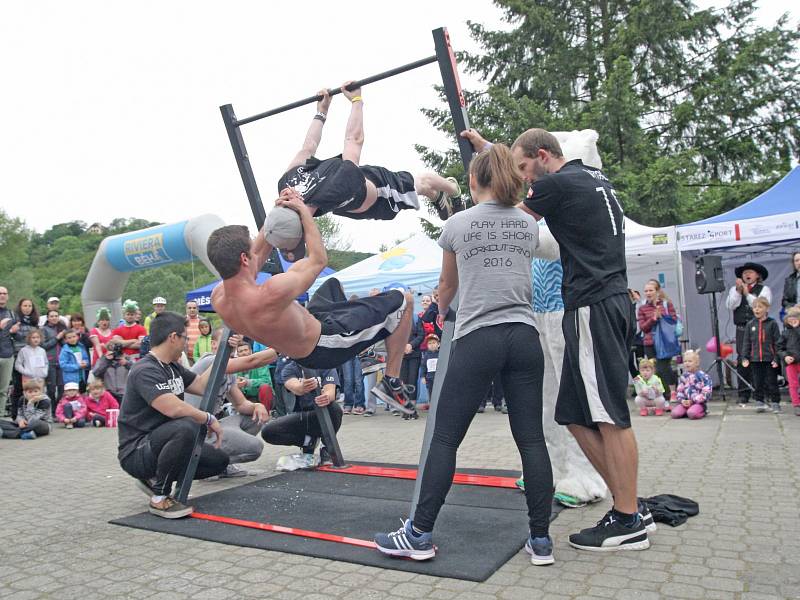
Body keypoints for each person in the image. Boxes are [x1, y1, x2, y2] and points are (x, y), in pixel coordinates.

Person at [461, 126, 652, 551]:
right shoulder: (590, 179)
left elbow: (506, 218)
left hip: (592, 305)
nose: (526, 178)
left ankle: (627, 519)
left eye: (527, 168)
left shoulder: (556, 184)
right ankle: (630, 504)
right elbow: (522, 173)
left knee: (608, 414)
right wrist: (487, 149)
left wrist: (466, 197)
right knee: (573, 413)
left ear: (544, 156)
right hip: (607, 301)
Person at [374, 144, 554, 565]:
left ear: (473, 182)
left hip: (478, 336)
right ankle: (541, 540)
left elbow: (447, 284)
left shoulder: (456, 225)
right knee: (530, 438)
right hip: (524, 336)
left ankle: (418, 534)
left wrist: (439, 310)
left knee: (445, 437)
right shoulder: (528, 226)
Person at [206, 188, 418, 415]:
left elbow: (257, 250)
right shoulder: (270, 293)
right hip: (326, 343)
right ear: (244, 259)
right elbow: (318, 260)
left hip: (305, 331)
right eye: (250, 248)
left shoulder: (219, 298)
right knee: (403, 300)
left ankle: (366, 344)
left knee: (332, 286)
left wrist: (277, 213)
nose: (255, 249)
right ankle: (391, 381)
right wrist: (303, 212)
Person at [278, 84, 462, 228]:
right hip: (352, 199)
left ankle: (454, 191)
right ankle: (436, 197)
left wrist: (357, 100)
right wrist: (321, 112)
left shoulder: (336, 187)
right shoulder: (286, 183)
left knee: (422, 183)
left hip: (378, 192)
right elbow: (308, 147)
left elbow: (354, 139)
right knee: (422, 192)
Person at [117, 311, 229, 519]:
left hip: (162, 442)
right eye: (185, 337)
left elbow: (203, 385)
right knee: (187, 425)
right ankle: (159, 497)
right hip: (137, 451)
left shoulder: (172, 367)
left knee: (218, 461)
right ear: (173, 337)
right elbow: (173, 408)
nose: (187, 342)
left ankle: (153, 478)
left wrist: (225, 350)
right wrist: (208, 418)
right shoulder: (145, 369)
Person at [184, 329, 273, 476]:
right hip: (194, 430)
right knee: (255, 447)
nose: (232, 346)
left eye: (234, 342)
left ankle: (222, 466)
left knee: (256, 418)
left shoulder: (229, 371)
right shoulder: (210, 360)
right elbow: (252, 361)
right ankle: (203, 463)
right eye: (227, 342)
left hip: (211, 426)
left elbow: (240, 404)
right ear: (213, 344)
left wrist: (258, 405)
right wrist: (281, 349)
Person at [260, 358, 341, 468]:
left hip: (322, 412)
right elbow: (295, 387)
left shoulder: (326, 365)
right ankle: (308, 441)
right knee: (268, 432)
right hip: (302, 417)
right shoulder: (289, 369)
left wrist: (326, 397)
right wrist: (303, 387)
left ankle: (327, 448)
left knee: (335, 409)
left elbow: (331, 391)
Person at [725, 262, 771, 406]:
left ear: (758, 275)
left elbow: (760, 305)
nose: (747, 275)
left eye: (750, 272)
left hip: (759, 327)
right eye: (744, 273)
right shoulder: (734, 289)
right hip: (741, 329)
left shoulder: (764, 289)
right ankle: (743, 393)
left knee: (760, 359)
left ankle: (762, 393)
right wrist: (739, 292)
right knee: (742, 359)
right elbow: (730, 305)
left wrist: (747, 293)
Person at [741, 296, 781, 413]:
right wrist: (745, 357)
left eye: (760, 307)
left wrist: (776, 358)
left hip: (770, 359)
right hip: (755, 359)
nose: (757, 310)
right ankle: (760, 401)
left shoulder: (772, 324)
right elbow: (746, 342)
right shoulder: (750, 324)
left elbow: (777, 342)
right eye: (755, 307)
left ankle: (775, 402)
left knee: (772, 381)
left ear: (767, 308)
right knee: (758, 381)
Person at [10, 298, 40, 419]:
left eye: (29, 306)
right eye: (25, 305)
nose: (27, 308)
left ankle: (31, 414)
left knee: (32, 387)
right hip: (18, 357)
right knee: (18, 387)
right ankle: (15, 414)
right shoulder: (15, 322)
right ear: (20, 307)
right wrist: (15, 332)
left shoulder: (35, 323)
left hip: (32, 359)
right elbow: (12, 335)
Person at [672, 350, 712, 420]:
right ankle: (686, 411)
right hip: (686, 402)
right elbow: (680, 390)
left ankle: (703, 411)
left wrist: (693, 400)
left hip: (698, 403)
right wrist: (682, 400)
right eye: (685, 361)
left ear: (697, 363)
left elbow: (706, 392)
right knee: (675, 414)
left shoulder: (703, 376)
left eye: (690, 361)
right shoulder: (683, 376)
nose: (687, 363)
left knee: (692, 414)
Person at [234, 340, 274, 408]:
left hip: (261, 396)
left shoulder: (260, 363)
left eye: (245, 350)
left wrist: (248, 382)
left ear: (251, 351)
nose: (243, 353)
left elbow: (267, 381)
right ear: (237, 354)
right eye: (240, 351)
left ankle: (266, 414)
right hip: (246, 398)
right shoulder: (235, 367)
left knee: (265, 387)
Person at [41, 310, 67, 408]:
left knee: (61, 388)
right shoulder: (44, 329)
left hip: (61, 362)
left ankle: (58, 409)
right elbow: (43, 345)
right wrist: (57, 338)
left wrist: (63, 338)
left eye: (56, 316)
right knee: (51, 388)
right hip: (50, 361)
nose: (54, 318)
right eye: (51, 316)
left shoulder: (62, 328)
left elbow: (66, 344)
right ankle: (51, 410)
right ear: (47, 318)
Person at [777, 307, 800, 416]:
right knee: (793, 384)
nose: (793, 321)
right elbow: (779, 348)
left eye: (795, 318)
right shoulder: (785, 333)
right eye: (790, 319)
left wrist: (797, 329)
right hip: (791, 362)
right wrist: (785, 356)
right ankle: (796, 405)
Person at [0, 286, 15, 417]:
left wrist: (14, 331)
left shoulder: (11, 313)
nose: (2, 295)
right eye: (0, 293)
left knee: (3, 390)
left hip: (7, 354)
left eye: (5, 293)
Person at [419, 333, 440, 407]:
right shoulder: (426, 355)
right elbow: (423, 366)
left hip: (439, 378)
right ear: (427, 346)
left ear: (438, 344)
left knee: (440, 392)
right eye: (429, 343)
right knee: (431, 392)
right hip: (429, 378)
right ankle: (432, 405)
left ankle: (440, 405)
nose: (432, 345)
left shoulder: (441, 354)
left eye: (434, 343)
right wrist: (422, 376)